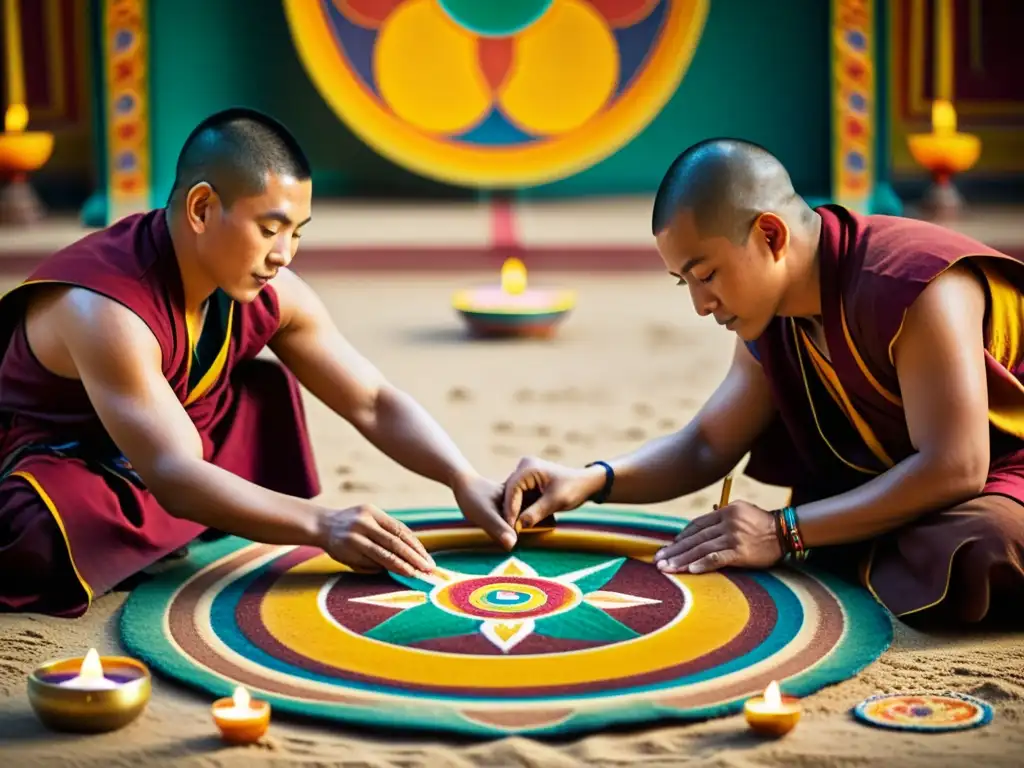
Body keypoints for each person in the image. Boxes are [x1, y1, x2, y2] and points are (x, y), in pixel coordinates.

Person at [0, 107, 516, 618]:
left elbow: (373, 400)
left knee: (254, 396)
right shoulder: (105, 307)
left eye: (297, 232)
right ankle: (176, 523)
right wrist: (323, 525)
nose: (285, 254)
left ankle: (182, 522)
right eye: (270, 229)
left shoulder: (272, 290)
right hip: (69, 459)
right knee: (40, 531)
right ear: (202, 209)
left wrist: (461, 476)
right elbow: (176, 473)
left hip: (164, 449)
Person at [501, 138, 1024, 625]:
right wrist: (593, 480)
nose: (701, 305)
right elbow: (708, 444)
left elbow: (957, 466)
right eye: (685, 283)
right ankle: (862, 527)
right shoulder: (774, 316)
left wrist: (783, 531)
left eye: (706, 276)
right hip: (909, 486)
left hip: (1001, 474)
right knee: (878, 530)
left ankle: (857, 530)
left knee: (984, 544)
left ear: (770, 236)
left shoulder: (912, 284)